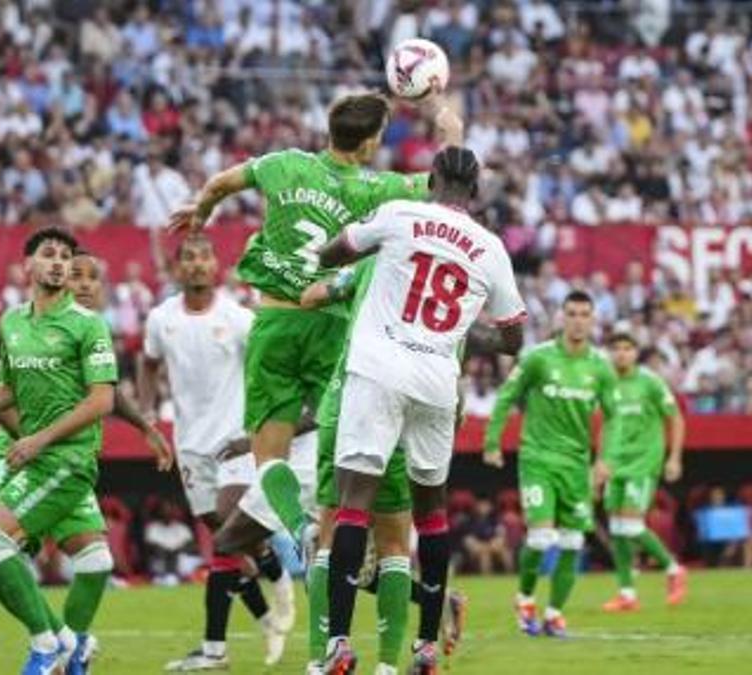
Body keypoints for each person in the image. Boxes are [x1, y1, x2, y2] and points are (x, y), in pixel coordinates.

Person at [168, 90, 463, 567]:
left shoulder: (285, 164)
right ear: (370, 143)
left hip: (276, 322)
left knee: (269, 463)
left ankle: (300, 528)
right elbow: (447, 180)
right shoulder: (378, 189)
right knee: (342, 450)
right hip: (334, 328)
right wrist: (445, 120)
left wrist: (200, 213)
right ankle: (345, 540)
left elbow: (221, 183)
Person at [0, 232, 171, 675]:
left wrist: (41, 439)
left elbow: (103, 398)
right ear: (27, 265)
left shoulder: (87, 325)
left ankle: (55, 645)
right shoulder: (13, 322)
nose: (64, 267)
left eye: (71, 260)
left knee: (59, 555)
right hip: (19, 453)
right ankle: (55, 645)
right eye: (51, 256)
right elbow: (8, 390)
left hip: (59, 456)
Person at [316, 146, 526, 674]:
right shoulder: (490, 248)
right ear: (475, 191)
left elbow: (331, 254)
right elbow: (512, 339)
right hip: (436, 381)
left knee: (353, 505)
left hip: (377, 370)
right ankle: (427, 646)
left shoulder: (399, 213)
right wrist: (460, 333)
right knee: (431, 513)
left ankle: (339, 643)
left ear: (431, 180)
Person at [141, 234, 297, 670]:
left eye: (204, 256)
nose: (196, 263)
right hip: (190, 446)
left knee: (229, 534)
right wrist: (148, 413)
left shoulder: (239, 318)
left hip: (234, 443)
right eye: (188, 257)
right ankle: (266, 619)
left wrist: (262, 426)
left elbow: (266, 368)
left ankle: (255, 610)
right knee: (231, 541)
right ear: (177, 268)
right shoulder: (161, 319)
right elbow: (148, 364)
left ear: (216, 266)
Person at [484, 290, 623, 638]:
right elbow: (507, 396)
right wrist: (492, 442)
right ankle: (525, 599)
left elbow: (614, 417)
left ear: (593, 320)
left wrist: (605, 459)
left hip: (577, 465)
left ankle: (554, 615)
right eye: (572, 313)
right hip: (538, 459)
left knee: (573, 541)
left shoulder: (600, 367)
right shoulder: (538, 358)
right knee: (542, 535)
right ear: (562, 317)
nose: (578, 321)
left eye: (584, 314)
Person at [600, 332, 688, 611]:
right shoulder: (606, 383)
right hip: (615, 463)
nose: (622, 353)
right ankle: (627, 593)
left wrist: (674, 458)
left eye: (628, 348)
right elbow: (607, 425)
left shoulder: (650, 382)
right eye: (617, 348)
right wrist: (601, 461)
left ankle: (673, 568)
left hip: (643, 462)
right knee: (616, 527)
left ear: (636, 353)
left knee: (631, 525)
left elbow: (676, 418)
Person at [461, 497, 513, 575]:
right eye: (481, 505)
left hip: (493, 545)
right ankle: (487, 578)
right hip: (478, 548)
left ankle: (510, 575)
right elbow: (468, 540)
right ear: (476, 506)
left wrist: (495, 543)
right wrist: (482, 547)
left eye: (486, 505)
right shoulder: (469, 520)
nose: (483, 508)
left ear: (490, 507)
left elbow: (501, 535)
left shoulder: (495, 520)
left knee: (506, 553)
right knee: (485, 554)